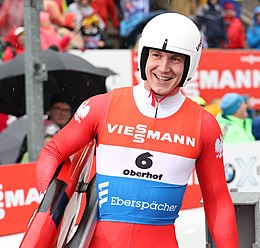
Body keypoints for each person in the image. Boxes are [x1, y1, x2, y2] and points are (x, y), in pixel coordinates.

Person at [35, 13, 238, 247]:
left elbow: (218, 202)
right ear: (144, 56)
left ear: (189, 64)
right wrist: (47, 207)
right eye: (156, 55)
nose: (163, 68)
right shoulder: (102, 106)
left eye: (175, 59)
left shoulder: (205, 125)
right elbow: (53, 152)